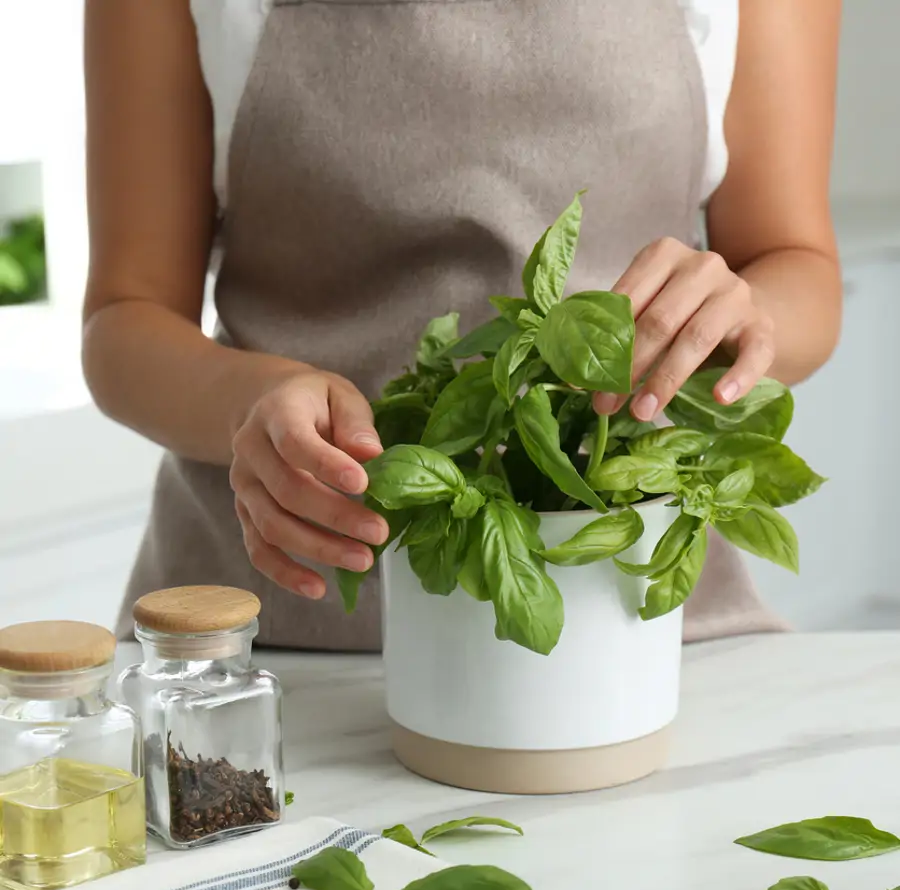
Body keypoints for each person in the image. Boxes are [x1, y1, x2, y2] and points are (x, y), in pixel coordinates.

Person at [82, 0, 843, 649]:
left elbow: (797, 263)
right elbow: (125, 314)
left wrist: (743, 315)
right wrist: (252, 401)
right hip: (263, 641)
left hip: (640, 632)